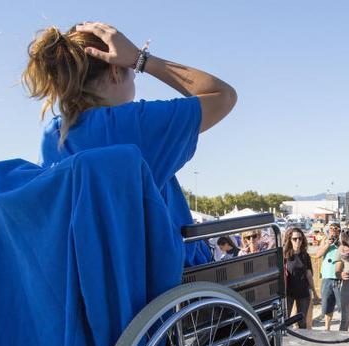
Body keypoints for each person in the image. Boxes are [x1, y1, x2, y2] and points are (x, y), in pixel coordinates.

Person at [25, 22, 237, 267]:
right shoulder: (135, 125)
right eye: (132, 71)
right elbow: (224, 96)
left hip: (93, 280)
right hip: (172, 282)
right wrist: (140, 59)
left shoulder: (53, 136)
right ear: (116, 69)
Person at [313, 222, 342, 331]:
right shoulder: (325, 240)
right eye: (331, 228)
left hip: (339, 278)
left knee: (342, 306)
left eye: (336, 229)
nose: (333, 230)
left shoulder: (343, 241)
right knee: (327, 305)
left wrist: (339, 244)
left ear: (339, 231)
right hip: (327, 277)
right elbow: (318, 255)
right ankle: (327, 328)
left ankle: (344, 328)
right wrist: (327, 244)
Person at [283, 227, 314, 329]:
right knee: (285, 321)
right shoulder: (284, 256)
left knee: (302, 322)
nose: (298, 241)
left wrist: (315, 293)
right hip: (288, 292)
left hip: (303, 292)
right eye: (295, 239)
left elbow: (309, 275)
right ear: (290, 240)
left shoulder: (305, 256)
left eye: (300, 238)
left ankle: (302, 343)